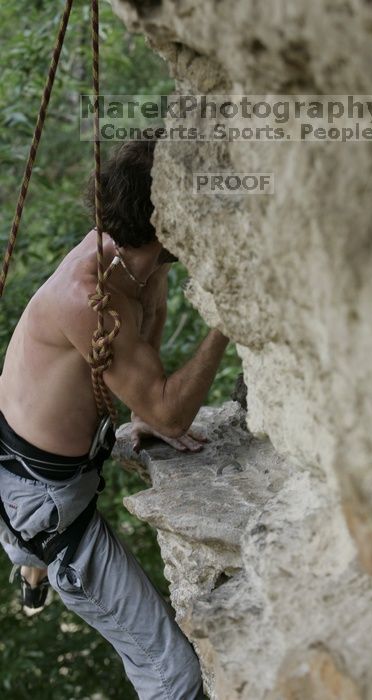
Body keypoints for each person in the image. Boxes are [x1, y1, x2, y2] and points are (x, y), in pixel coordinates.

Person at [0, 139, 229, 699]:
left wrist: (142, 411)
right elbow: (172, 414)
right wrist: (228, 320)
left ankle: (29, 565)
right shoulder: (89, 296)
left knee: (29, 536)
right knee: (174, 676)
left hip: (40, 470)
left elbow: (143, 377)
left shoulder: (133, 264)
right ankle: (36, 560)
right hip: (45, 505)